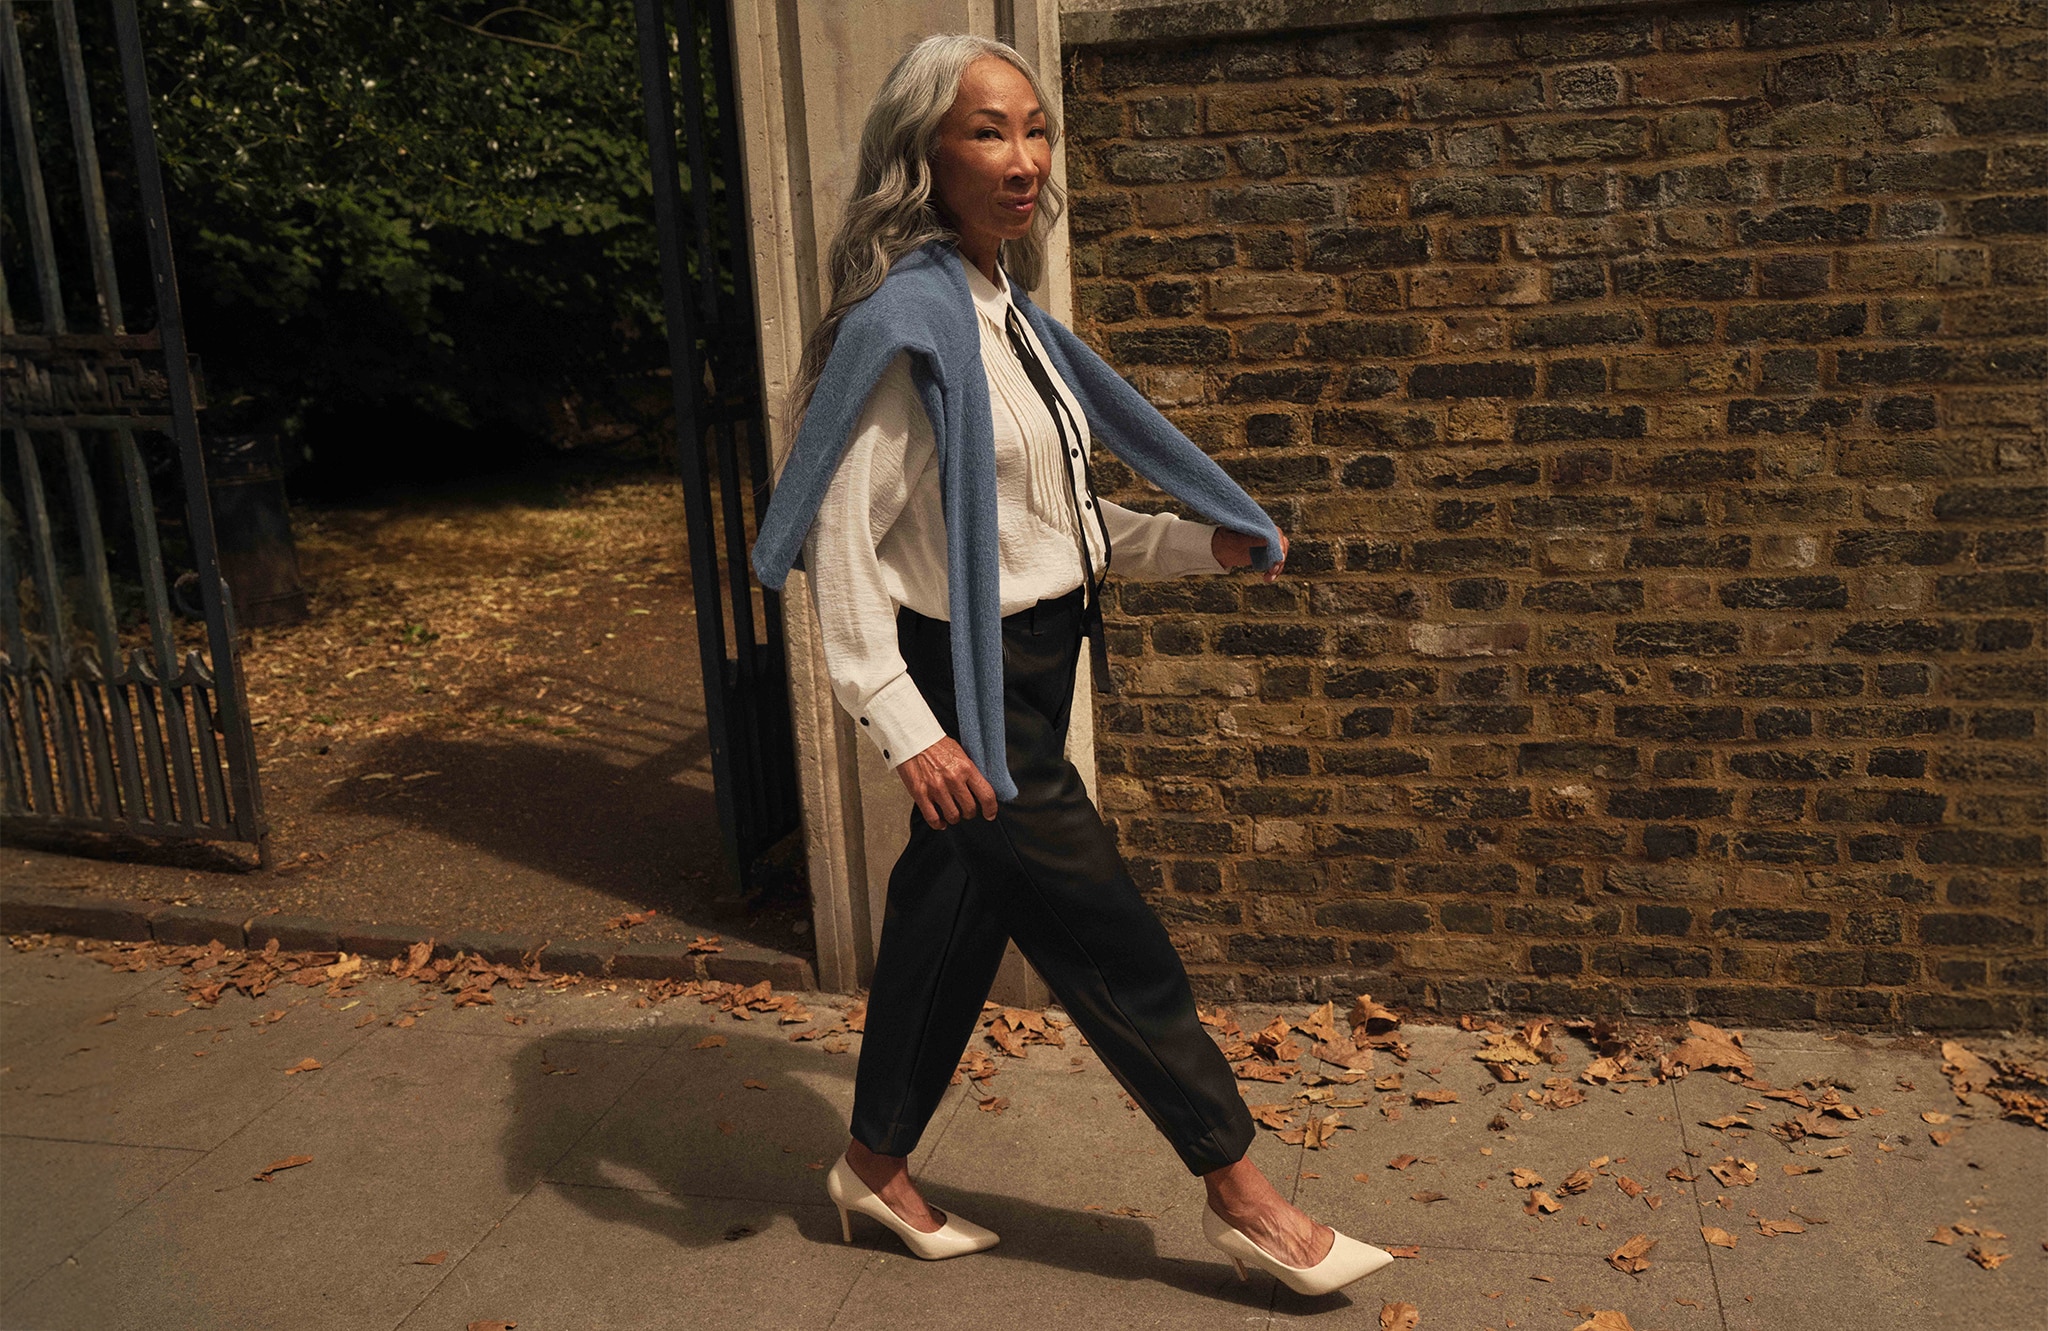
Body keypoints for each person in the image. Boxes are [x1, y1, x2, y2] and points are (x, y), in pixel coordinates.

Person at [756, 34, 1392, 1297]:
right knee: (1107, 931)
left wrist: (1192, 543)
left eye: (1034, 130)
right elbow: (837, 542)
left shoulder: (1014, 323)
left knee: (946, 923)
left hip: (1035, 662)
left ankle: (870, 1163)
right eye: (987, 131)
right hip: (960, 685)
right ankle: (1242, 1191)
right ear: (922, 154)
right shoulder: (909, 326)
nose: (1023, 159)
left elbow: (1060, 528)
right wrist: (903, 720)